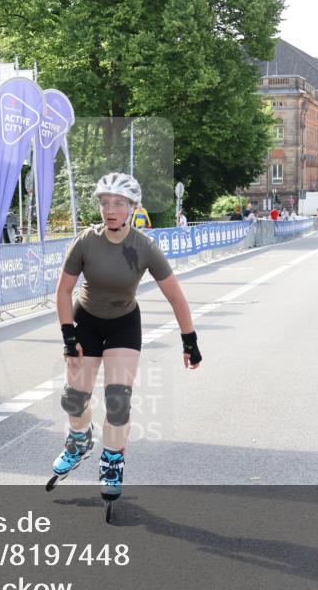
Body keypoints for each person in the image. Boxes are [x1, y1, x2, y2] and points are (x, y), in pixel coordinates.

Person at [48, 173, 202, 504]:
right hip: (85, 321)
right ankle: (79, 441)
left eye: (118, 204)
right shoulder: (86, 241)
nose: (110, 210)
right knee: (74, 399)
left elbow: (176, 297)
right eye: (105, 203)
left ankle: (113, 461)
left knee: (117, 400)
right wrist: (67, 333)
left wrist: (189, 341)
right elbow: (63, 291)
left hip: (123, 324)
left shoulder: (144, 247)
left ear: (132, 208)